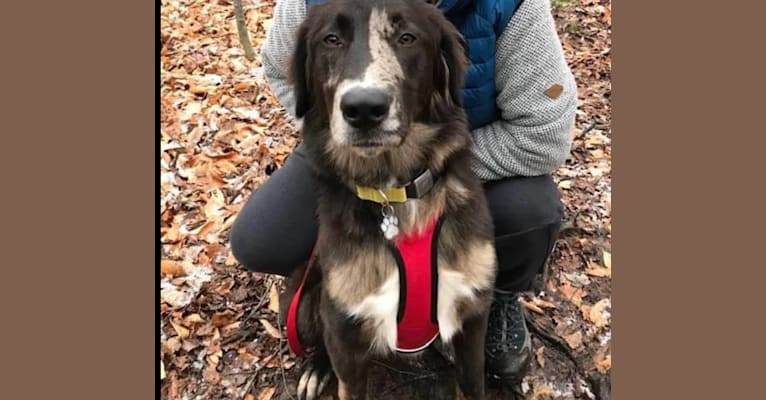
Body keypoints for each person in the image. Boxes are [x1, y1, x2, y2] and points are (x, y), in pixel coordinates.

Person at [231, 0, 576, 384]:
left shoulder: (512, 6)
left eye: (407, 38)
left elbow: (543, 135)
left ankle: (492, 301)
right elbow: (282, 69)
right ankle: (340, 306)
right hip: (345, 161)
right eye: (333, 39)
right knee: (261, 240)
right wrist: (336, 141)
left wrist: (430, 169)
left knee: (531, 210)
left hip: (459, 156)